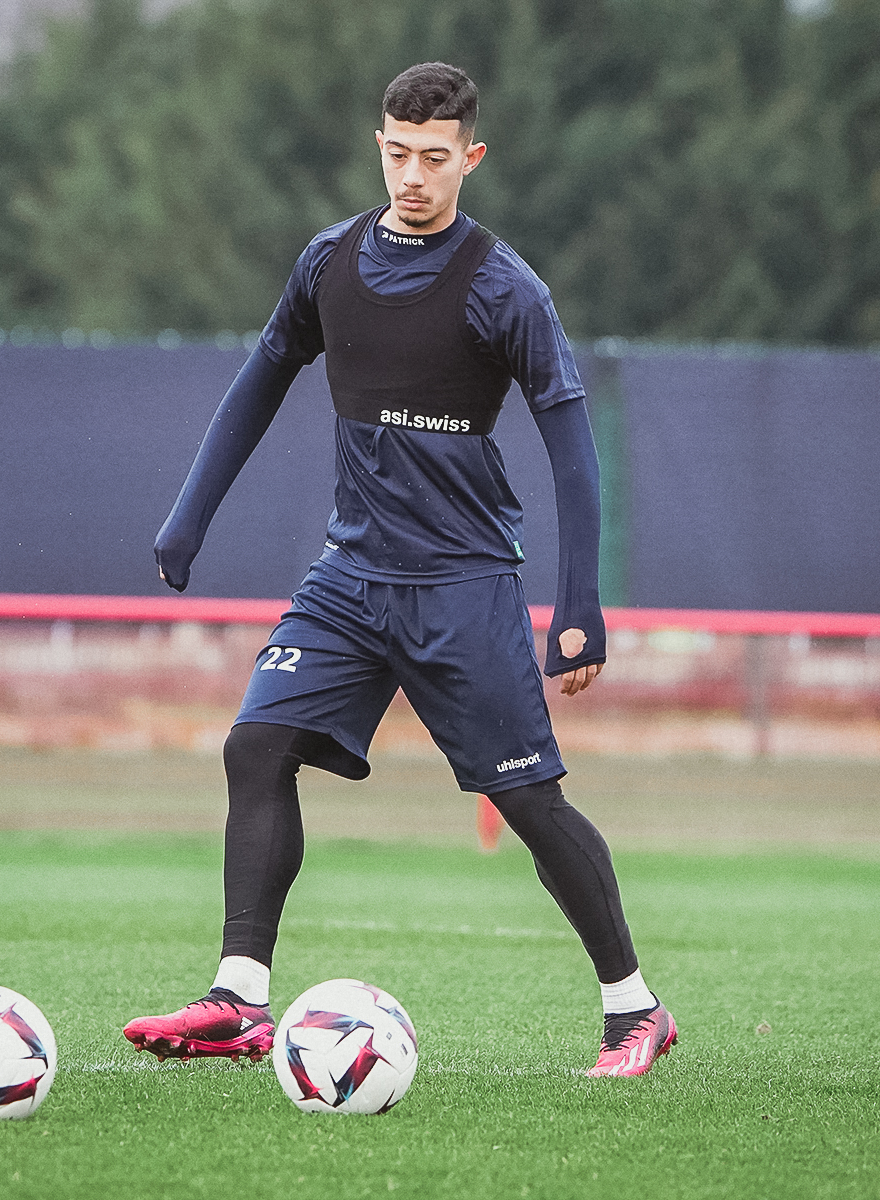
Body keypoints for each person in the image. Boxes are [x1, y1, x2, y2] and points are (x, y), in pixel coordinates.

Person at [124, 62, 675, 1079]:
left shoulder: (504, 287)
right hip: (351, 576)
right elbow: (260, 378)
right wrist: (187, 515)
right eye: (395, 153)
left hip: (464, 583)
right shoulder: (329, 260)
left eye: (433, 157)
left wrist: (580, 605)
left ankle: (632, 1010)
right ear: (378, 144)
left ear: (470, 156)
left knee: (528, 801)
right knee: (256, 746)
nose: (411, 175)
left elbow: (570, 446)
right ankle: (240, 996)